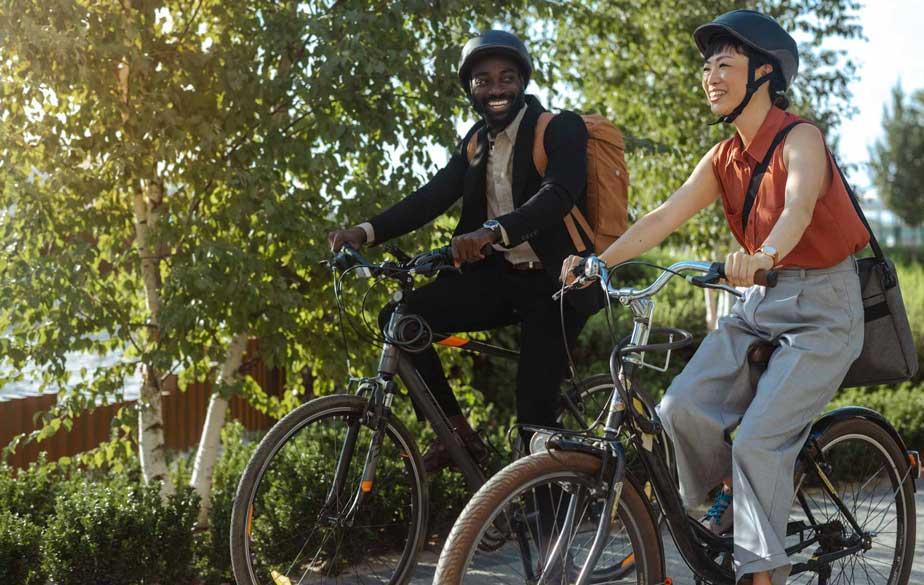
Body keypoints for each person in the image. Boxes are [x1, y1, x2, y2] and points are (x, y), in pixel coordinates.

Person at [562, 9, 868, 585]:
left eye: (723, 64)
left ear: (762, 74)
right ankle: (727, 502)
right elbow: (661, 218)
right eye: (706, 67)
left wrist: (764, 257)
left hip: (825, 307)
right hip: (759, 306)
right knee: (680, 410)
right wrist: (598, 262)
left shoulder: (800, 136)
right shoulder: (723, 157)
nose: (709, 77)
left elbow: (799, 204)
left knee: (758, 440)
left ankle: (761, 572)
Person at [329, 30, 600, 473]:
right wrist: (363, 231)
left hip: (558, 285)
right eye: (483, 81)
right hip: (500, 280)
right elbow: (430, 197)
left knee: (532, 417)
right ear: (470, 89)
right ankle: (458, 436)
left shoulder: (559, 128)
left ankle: (549, 527)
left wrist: (493, 231)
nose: (495, 89)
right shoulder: (476, 143)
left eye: (506, 78)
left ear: (523, 81)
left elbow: (558, 195)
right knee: (402, 320)